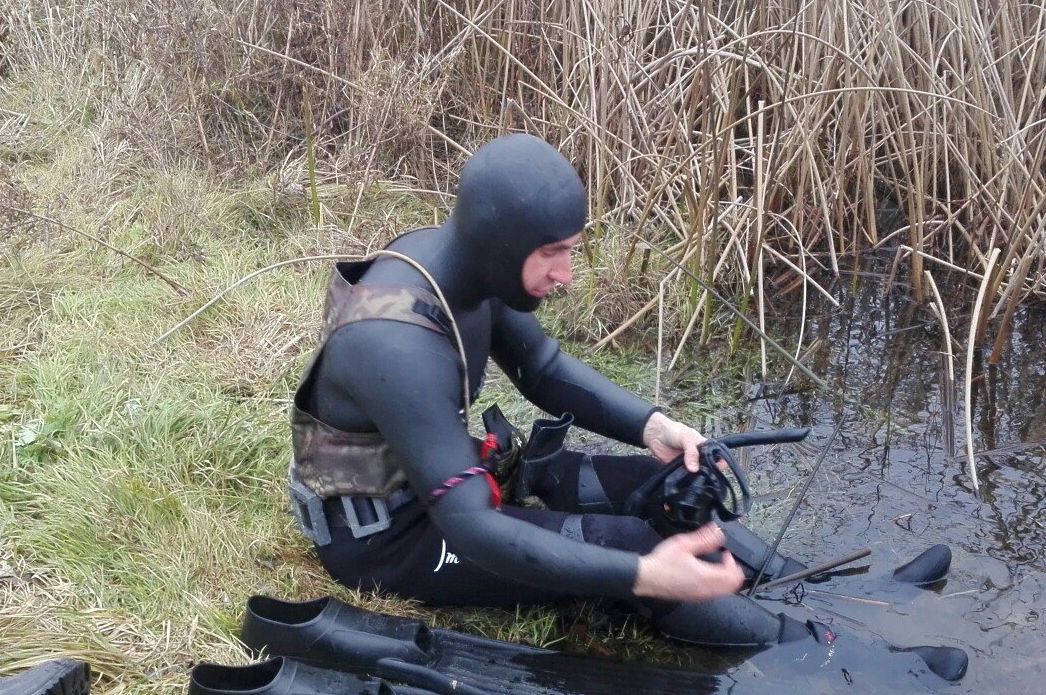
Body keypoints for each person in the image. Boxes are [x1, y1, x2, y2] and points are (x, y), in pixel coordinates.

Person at [286, 134, 820, 647]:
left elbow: (540, 368)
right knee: (632, 547)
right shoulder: (394, 346)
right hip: (387, 540)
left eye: (570, 251)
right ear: (500, 245)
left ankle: (809, 587)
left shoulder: (469, 267)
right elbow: (471, 525)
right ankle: (798, 650)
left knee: (670, 483)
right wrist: (644, 574)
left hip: (440, 479)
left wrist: (652, 427)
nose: (565, 273)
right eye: (551, 253)